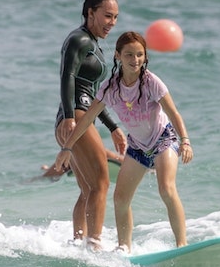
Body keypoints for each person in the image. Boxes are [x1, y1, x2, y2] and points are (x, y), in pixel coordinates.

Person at [56, 31, 193, 253]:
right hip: (138, 146)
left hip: (163, 140)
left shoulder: (151, 82)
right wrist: (67, 147)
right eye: (129, 54)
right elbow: (87, 119)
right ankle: (124, 248)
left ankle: (182, 244)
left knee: (166, 189)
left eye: (140, 54)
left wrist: (185, 141)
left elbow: (174, 113)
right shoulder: (111, 88)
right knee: (120, 199)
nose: (135, 60)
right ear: (118, 56)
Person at [52, 0, 127, 250]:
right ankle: (94, 245)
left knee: (88, 189)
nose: (112, 22)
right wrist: (70, 118)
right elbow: (67, 76)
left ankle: (79, 243)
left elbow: (95, 96)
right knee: (102, 183)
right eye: (107, 16)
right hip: (75, 118)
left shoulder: (93, 44)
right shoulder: (79, 39)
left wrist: (113, 127)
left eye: (115, 17)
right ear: (90, 12)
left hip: (80, 116)